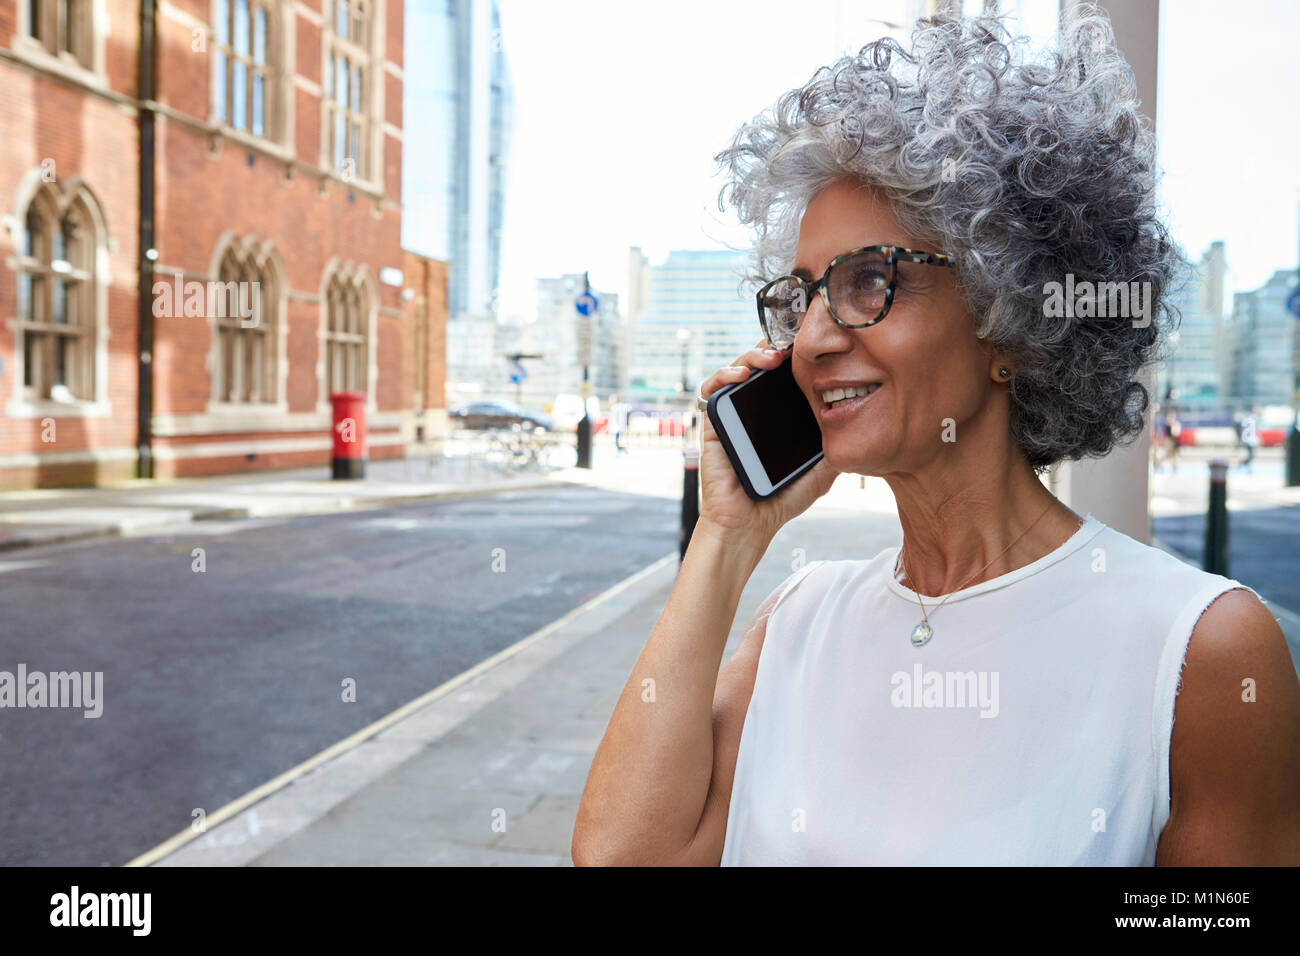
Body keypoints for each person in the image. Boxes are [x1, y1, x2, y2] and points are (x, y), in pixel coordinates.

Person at [572, 4, 1300, 866]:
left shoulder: (1201, 652)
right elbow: (623, 856)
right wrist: (728, 539)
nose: (811, 338)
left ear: (1012, 319)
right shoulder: (797, 623)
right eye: (803, 294)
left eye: (869, 282)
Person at [1239, 407, 1260, 472]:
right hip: (1250, 439)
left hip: (1249, 439)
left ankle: (1244, 465)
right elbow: (1253, 430)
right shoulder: (1252, 418)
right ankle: (1244, 465)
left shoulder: (1247, 418)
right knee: (1251, 455)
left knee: (1251, 455)